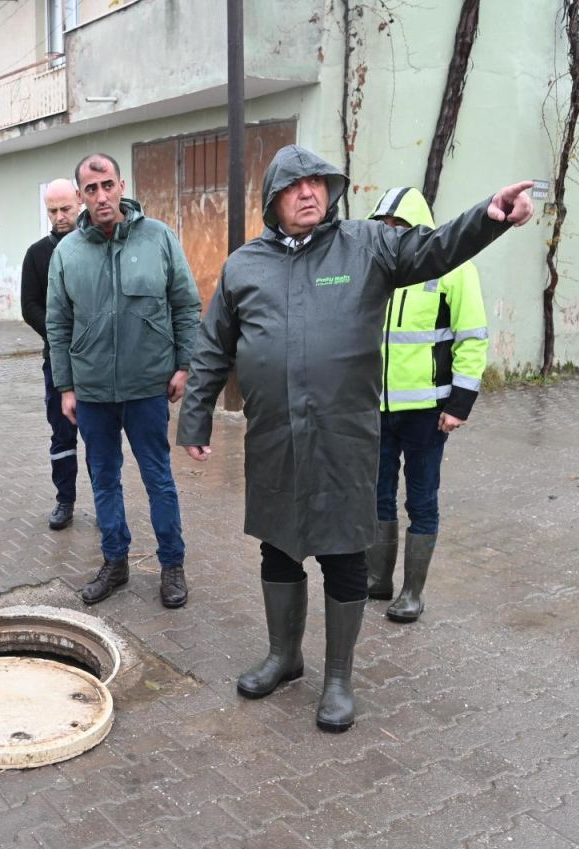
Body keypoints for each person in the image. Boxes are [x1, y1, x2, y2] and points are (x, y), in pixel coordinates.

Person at [177, 144, 531, 733]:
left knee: (344, 555)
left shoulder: (367, 245)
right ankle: (284, 656)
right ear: (274, 199)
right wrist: (195, 419)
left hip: (345, 438)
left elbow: (435, 249)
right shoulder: (244, 265)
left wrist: (487, 216)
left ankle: (338, 678)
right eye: (295, 186)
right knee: (279, 547)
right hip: (274, 439)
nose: (309, 193)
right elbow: (214, 346)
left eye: (318, 182)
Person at [46, 153, 202, 609]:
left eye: (107, 185)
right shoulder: (67, 253)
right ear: (80, 196)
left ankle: (172, 564)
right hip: (93, 390)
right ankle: (115, 561)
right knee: (104, 479)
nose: (101, 196)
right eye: (90, 190)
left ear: (121, 186)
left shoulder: (159, 238)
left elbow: (186, 305)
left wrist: (183, 365)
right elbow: (58, 323)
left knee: (158, 477)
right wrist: (67, 386)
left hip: (147, 386)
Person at [365, 187, 489, 623]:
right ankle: (377, 581)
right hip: (376, 408)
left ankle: (412, 593)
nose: (389, 232)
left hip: (428, 412)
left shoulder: (455, 268)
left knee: (420, 500)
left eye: (397, 226)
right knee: (376, 496)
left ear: (419, 228)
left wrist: (459, 404)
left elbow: (472, 339)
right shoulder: (375, 267)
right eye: (382, 225)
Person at [21, 178, 83, 530]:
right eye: (52, 211)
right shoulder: (37, 254)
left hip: (98, 363)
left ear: (79, 201)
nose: (59, 217)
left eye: (65, 209)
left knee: (101, 437)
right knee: (62, 434)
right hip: (58, 362)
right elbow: (29, 307)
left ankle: (108, 502)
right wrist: (60, 335)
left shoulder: (96, 246)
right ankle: (65, 500)